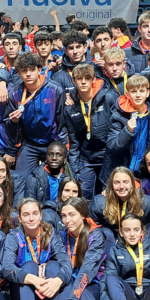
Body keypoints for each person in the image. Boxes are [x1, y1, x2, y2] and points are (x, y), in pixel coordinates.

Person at [2, 198, 73, 300]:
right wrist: (33, 279)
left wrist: (57, 280)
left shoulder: (51, 234)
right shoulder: (14, 236)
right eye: (26, 215)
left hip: (48, 293)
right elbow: (6, 267)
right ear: (19, 218)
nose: (31, 218)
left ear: (41, 215)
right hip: (22, 297)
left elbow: (66, 263)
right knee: (28, 266)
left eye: (35, 213)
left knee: (54, 265)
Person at [41, 198, 107, 300]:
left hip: (93, 283)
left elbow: (87, 271)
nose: (67, 220)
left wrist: (73, 299)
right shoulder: (63, 235)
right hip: (72, 280)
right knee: (64, 286)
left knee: (84, 294)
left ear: (83, 215)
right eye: (63, 216)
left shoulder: (95, 235)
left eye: (72, 215)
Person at [65, 63, 119, 200]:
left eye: (87, 78)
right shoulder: (70, 105)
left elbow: (116, 130)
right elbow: (73, 140)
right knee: (82, 194)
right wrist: (74, 169)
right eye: (79, 78)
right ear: (73, 80)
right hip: (86, 156)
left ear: (93, 79)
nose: (83, 82)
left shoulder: (108, 97)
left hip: (108, 154)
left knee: (108, 196)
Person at [8, 53, 65, 176]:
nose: (28, 74)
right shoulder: (15, 93)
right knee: (20, 179)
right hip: (30, 143)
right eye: (24, 70)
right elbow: (9, 125)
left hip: (52, 142)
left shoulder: (55, 89)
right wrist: (13, 122)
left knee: (55, 179)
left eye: (32, 70)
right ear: (19, 73)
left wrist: (62, 146)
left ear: (39, 70)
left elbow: (62, 121)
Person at [101, 75, 150, 183]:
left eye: (142, 91)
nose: (138, 95)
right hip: (119, 172)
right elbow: (112, 147)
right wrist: (127, 131)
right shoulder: (118, 116)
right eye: (133, 91)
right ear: (127, 94)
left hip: (144, 173)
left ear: (147, 93)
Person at [89, 167, 150, 242]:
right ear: (111, 185)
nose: (121, 186)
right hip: (112, 240)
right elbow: (93, 225)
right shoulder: (99, 202)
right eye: (117, 182)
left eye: (125, 182)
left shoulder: (147, 202)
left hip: (138, 239)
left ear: (132, 184)